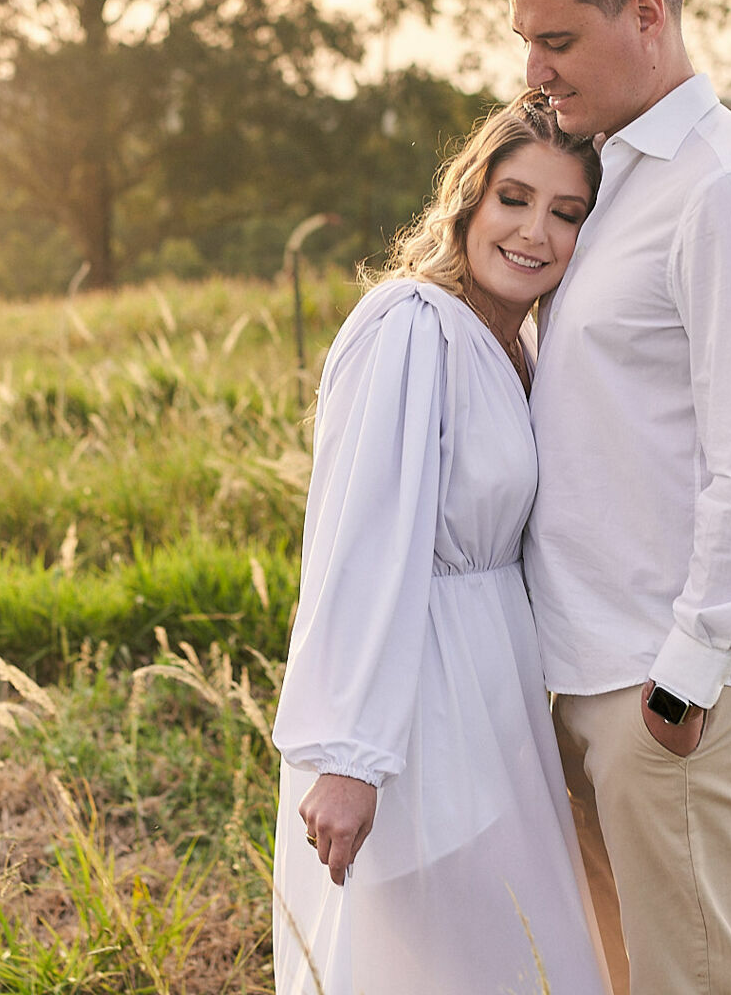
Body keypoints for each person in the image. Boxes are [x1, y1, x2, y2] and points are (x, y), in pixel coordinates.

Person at [502, 0, 731, 995]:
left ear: (648, 12)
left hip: (680, 691)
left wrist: (679, 687)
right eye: (525, 43)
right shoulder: (608, 184)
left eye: (557, 39)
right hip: (591, 676)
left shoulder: (729, 189)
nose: (535, 70)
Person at [272, 91, 612, 995]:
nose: (534, 231)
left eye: (565, 212)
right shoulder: (413, 327)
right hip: (417, 709)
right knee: (436, 961)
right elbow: (362, 546)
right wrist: (350, 758)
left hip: (493, 693)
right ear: (468, 198)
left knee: (508, 959)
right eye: (514, 198)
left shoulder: (515, 346)